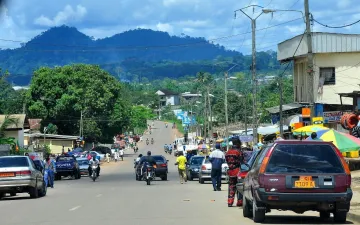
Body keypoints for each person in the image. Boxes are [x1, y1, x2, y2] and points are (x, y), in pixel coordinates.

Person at [225, 137, 243, 207]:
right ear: (238, 143)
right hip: (238, 171)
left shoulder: (228, 152)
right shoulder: (238, 152)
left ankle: (230, 201)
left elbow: (226, 160)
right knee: (239, 187)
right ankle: (239, 201)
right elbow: (242, 161)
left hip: (230, 171)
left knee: (231, 187)